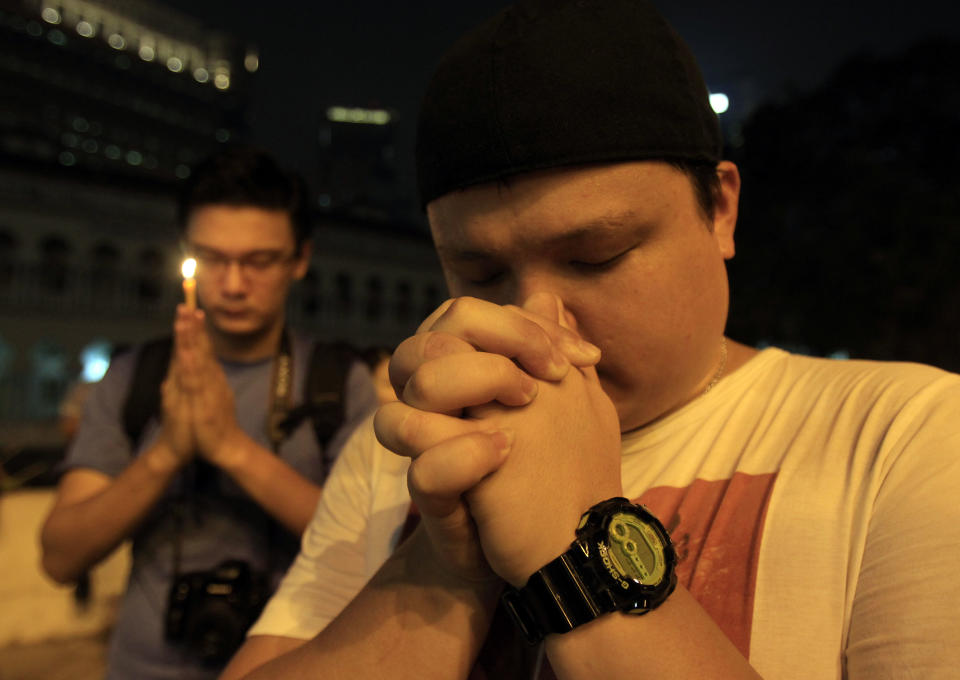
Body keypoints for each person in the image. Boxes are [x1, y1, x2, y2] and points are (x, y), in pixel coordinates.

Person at [222, 2, 960, 679]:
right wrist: (446, 567)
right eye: (480, 273)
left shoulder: (905, 434)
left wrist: (574, 551)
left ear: (722, 211)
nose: (539, 322)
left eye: (596, 257)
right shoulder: (403, 455)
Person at [40, 146, 377, 680]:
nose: (235, 284)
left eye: (259, 261)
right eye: (213, 259)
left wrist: (231, 449)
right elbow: (61, 557)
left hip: (295, 666)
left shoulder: (340, 384)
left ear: (300, 259)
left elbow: (370, 553)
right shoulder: (136, 377)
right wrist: (167, 452)